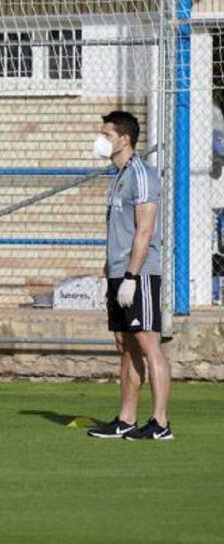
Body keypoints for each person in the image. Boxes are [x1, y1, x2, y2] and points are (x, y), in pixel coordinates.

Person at [87, 111, 173, 441]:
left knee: (148, 342)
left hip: (139, 275)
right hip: (118, 274)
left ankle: (161, 423)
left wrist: (132, 277)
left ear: (124, 139)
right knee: (125, 344)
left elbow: (145, 229)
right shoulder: (118, 175)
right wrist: (110, 269)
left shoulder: (141, 175)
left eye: (106, 135)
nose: (100, 139)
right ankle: (126, 419)